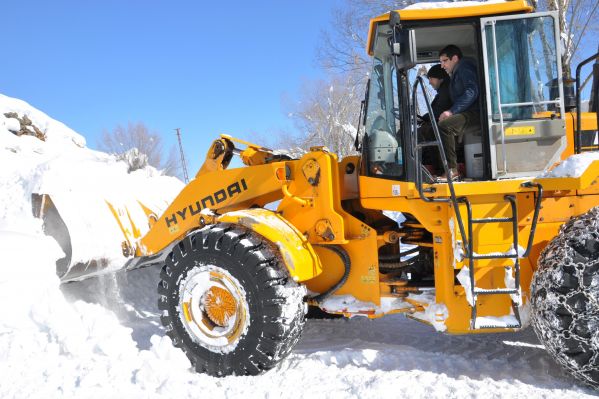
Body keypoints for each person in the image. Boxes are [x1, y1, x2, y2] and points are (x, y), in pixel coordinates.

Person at [437, 44, 480, 181]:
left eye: (444, 61)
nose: (442, 65)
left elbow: (472, 91)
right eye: (441, 62)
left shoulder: (464, 67)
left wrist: (451, 111)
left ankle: (452, 171)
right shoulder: (456, 73)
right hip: (469, 112)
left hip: (476, 113)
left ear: (455, 58)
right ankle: (445, 169)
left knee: (446, 126)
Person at [420, 64, 452, 173]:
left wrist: (425, 117)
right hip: (440, 123)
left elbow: (439, 112)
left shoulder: (445, 92)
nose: (429, 82)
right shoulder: (443, 91)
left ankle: (431, 166)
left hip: (444, 125)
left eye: (431, 78)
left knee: (423, 132)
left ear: (440, 78)